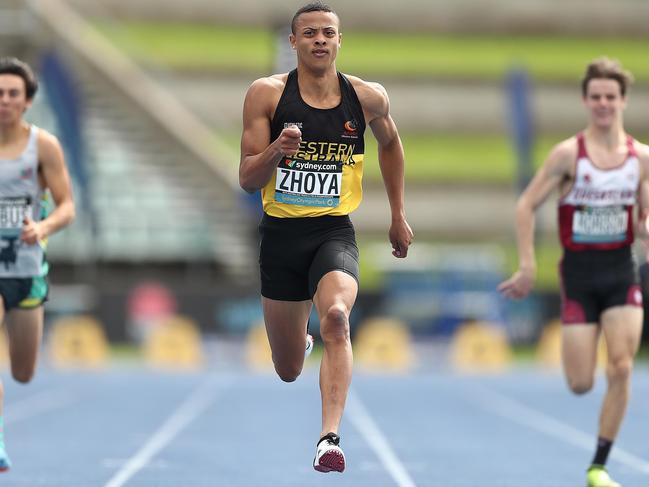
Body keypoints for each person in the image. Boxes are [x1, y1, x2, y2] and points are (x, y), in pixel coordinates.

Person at [239, 1, 413, 474]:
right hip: (281, 237)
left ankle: (328, 438)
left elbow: (391, 144)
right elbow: (248, 179)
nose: (320, 40)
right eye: (310, 33)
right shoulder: (267, 96)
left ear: (339, 41)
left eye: (328, 33)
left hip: (334, 230)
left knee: (337, 317)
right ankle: (301, 339)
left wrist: (398, 215)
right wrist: (278, 149)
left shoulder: (368, 97)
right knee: (288, 368)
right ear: (293, 42)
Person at [499, 57, 648, 487]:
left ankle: (598, 466)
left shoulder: (640, 159)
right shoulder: (569, 155)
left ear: (623, 101)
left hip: (621, 272)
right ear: (586, 101)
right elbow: (526, 205)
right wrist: (528, 264)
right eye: (596, 97)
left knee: (621, 368)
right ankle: (591, 346)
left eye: (611, 97)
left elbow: (646, 217)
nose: (603, 104)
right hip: (579, 278)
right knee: (581, 382)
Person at [0, 57, 76, 471]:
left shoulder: (42, 146)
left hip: (27, 269)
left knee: (24, 371)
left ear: (27, 101)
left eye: (13, 94)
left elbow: (67, 207)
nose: (4, 101)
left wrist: (42, 227)